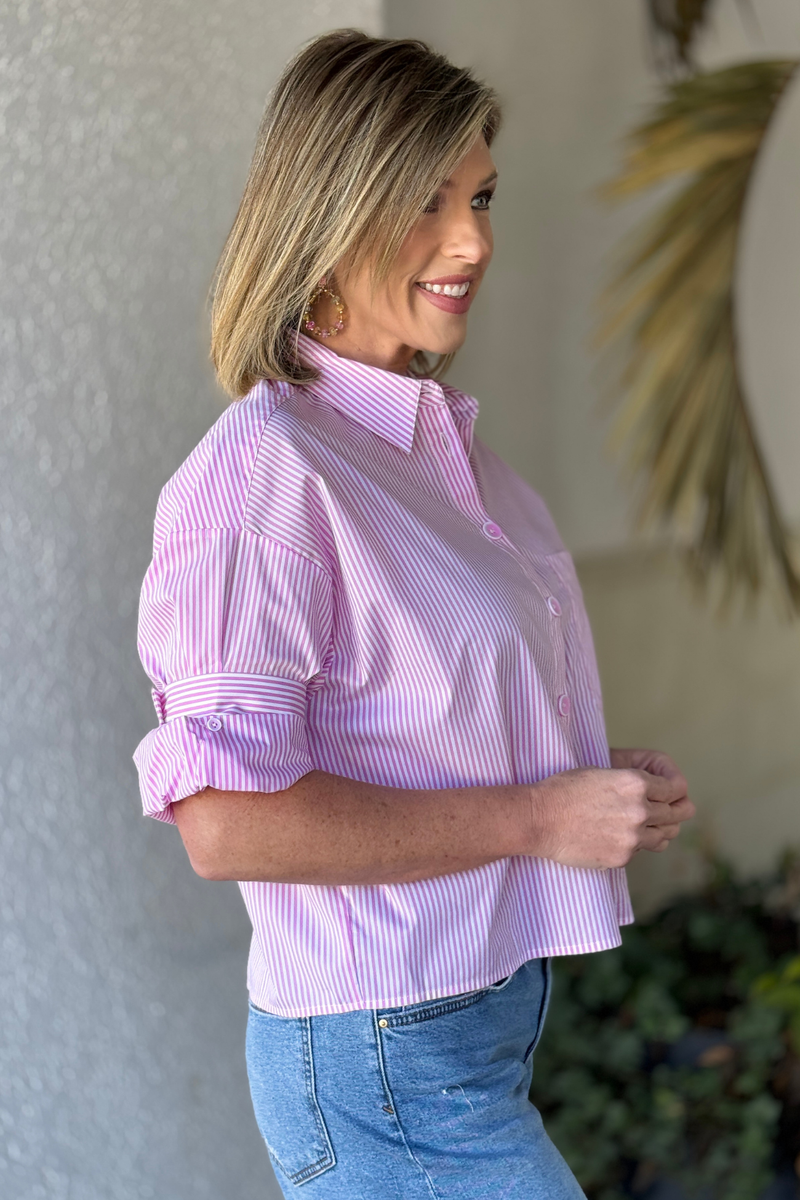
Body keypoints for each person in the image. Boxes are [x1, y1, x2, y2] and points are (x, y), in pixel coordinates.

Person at [133, 28, 695, 1199]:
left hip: (459, 1039)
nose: (472, 239)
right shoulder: (265, 480)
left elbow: (411, 716)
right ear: (327, 207)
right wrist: (540, 815)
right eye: (423, 199)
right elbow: (226, 823)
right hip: (380, 1060)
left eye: (481, 195)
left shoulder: (426, 456)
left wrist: (586, 781)